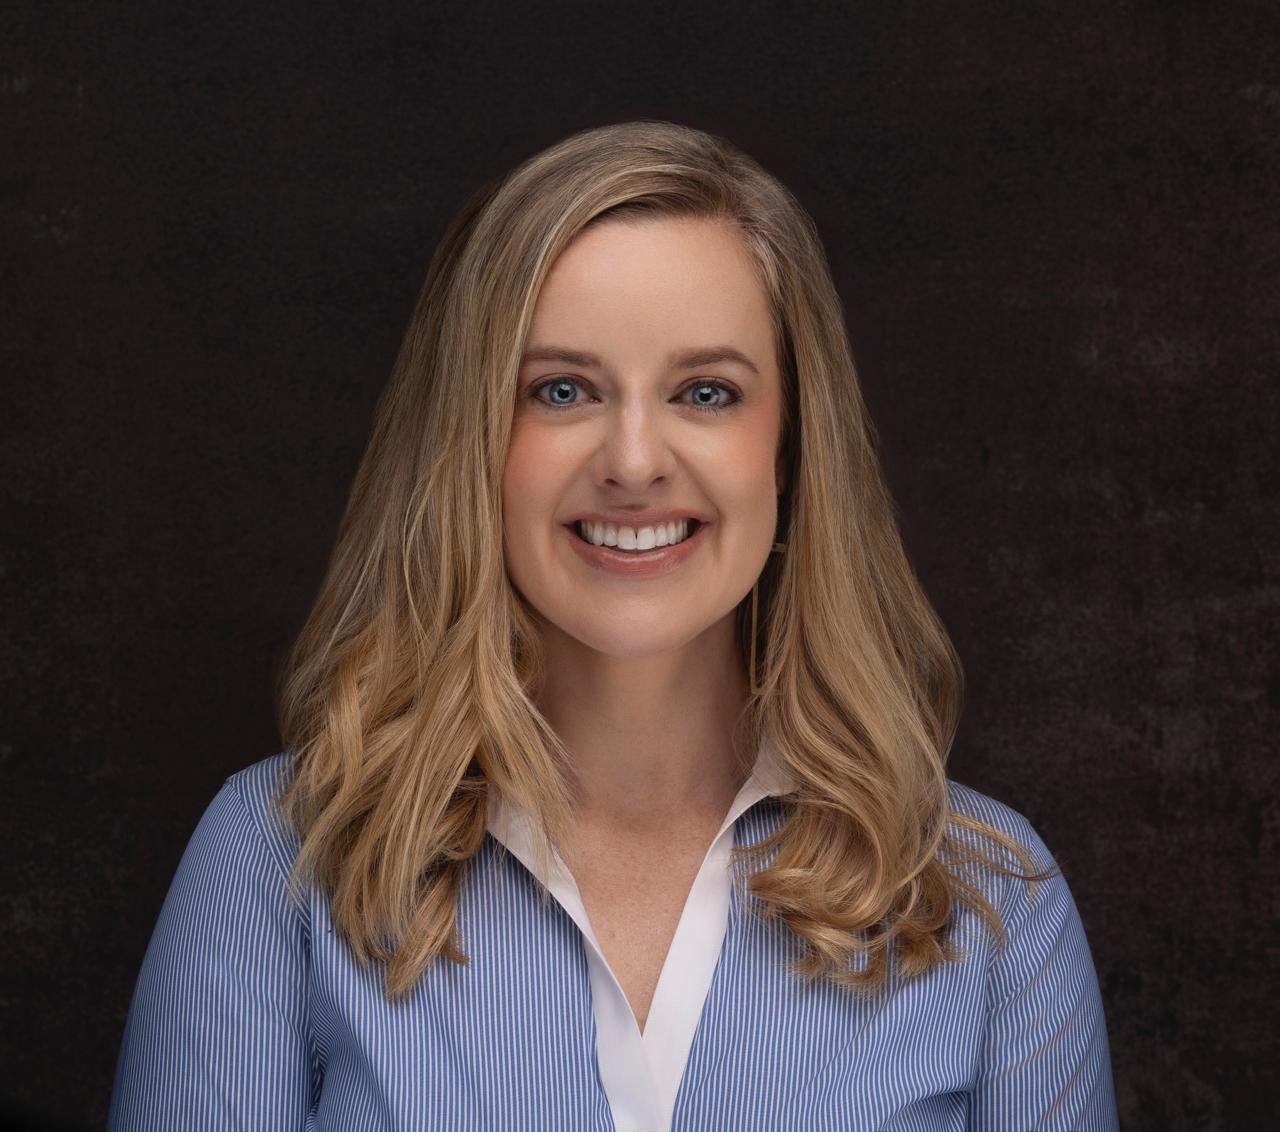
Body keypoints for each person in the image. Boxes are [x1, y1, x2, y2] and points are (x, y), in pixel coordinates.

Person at [107, 120, 1119, 1131]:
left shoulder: (989, 896)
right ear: (471, 442)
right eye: (561, 390)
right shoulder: (278, 857)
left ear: (792, 449)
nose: (633, 461)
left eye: (705, 392)